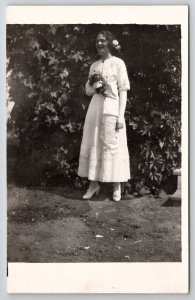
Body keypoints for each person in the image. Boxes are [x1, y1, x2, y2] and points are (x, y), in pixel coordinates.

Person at [78, 30, 130, 201]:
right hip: (95, 109)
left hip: (112, 109)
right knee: (93, 142)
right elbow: (87, 90)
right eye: (97, 41)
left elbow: (123, 91)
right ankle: (93, 184)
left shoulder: (118, 63)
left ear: (109, 43)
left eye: (102, 41)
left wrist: (120, 116)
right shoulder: (94, 65)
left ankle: (117, 185)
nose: (99, 44)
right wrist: (97, 86)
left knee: (112, 145)